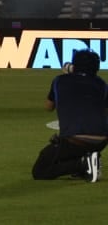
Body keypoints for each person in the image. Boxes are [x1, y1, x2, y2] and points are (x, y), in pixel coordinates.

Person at [32, 50, 108, 181]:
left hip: (74, 141)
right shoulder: (101, 84)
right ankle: (89, 161)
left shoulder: (59, 81)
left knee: (40, 171)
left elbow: (48, 107)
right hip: (101, 141)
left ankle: (83, 164)